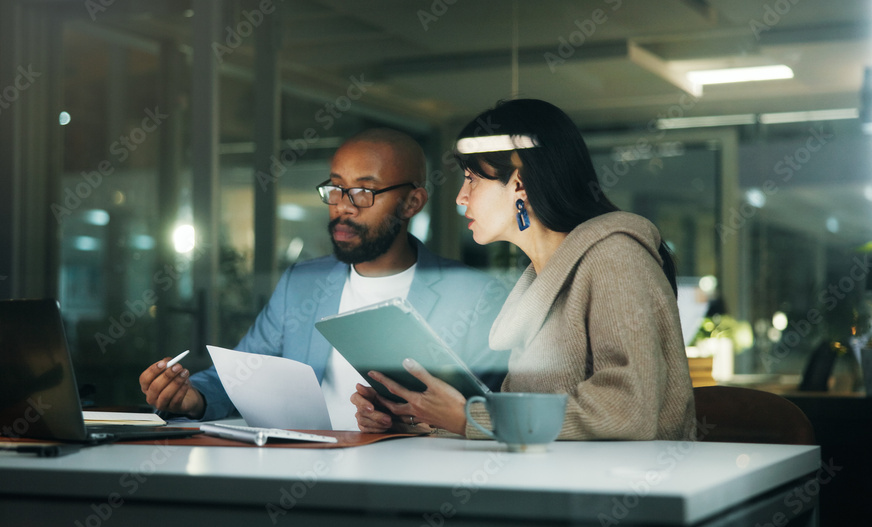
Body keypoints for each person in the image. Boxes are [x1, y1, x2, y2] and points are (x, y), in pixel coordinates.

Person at [352, 100, 697, 440]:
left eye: (472, 179)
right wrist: (415, 418)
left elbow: (627, 410)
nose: (461, 197)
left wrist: (468, 418)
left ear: (519, 183)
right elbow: (526, 428)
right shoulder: (539, 281)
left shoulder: (616, 257)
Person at [139, 128, 508, 430]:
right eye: (335, 188)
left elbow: (491, 415)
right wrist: (193, 398)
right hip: (304, 475)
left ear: (412, 202)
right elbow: (242, 373)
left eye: (363, 192)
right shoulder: (301, 284)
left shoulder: (474, 294)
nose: (343, 206)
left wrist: (418, 424)